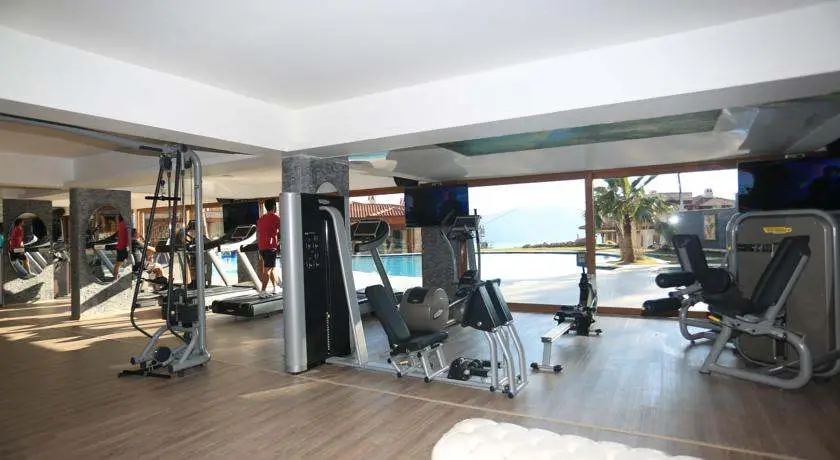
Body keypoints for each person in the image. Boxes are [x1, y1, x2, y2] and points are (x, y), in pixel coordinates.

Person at [256, 200, 281, 297]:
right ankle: (262, 291)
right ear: (274, 206)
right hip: (270, 247)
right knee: (268, 269)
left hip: (262, 247)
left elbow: (259, 233)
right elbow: (283, 230)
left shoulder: (261, 219)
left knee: (271, 267)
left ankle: (275, 287)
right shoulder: (276, 217)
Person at [112, 214, 129, 280]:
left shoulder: (120, 224)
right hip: (125, 247)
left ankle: (115, 277)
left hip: (120, 246)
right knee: (129, 263)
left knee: (118, 264)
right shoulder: (126, 224)